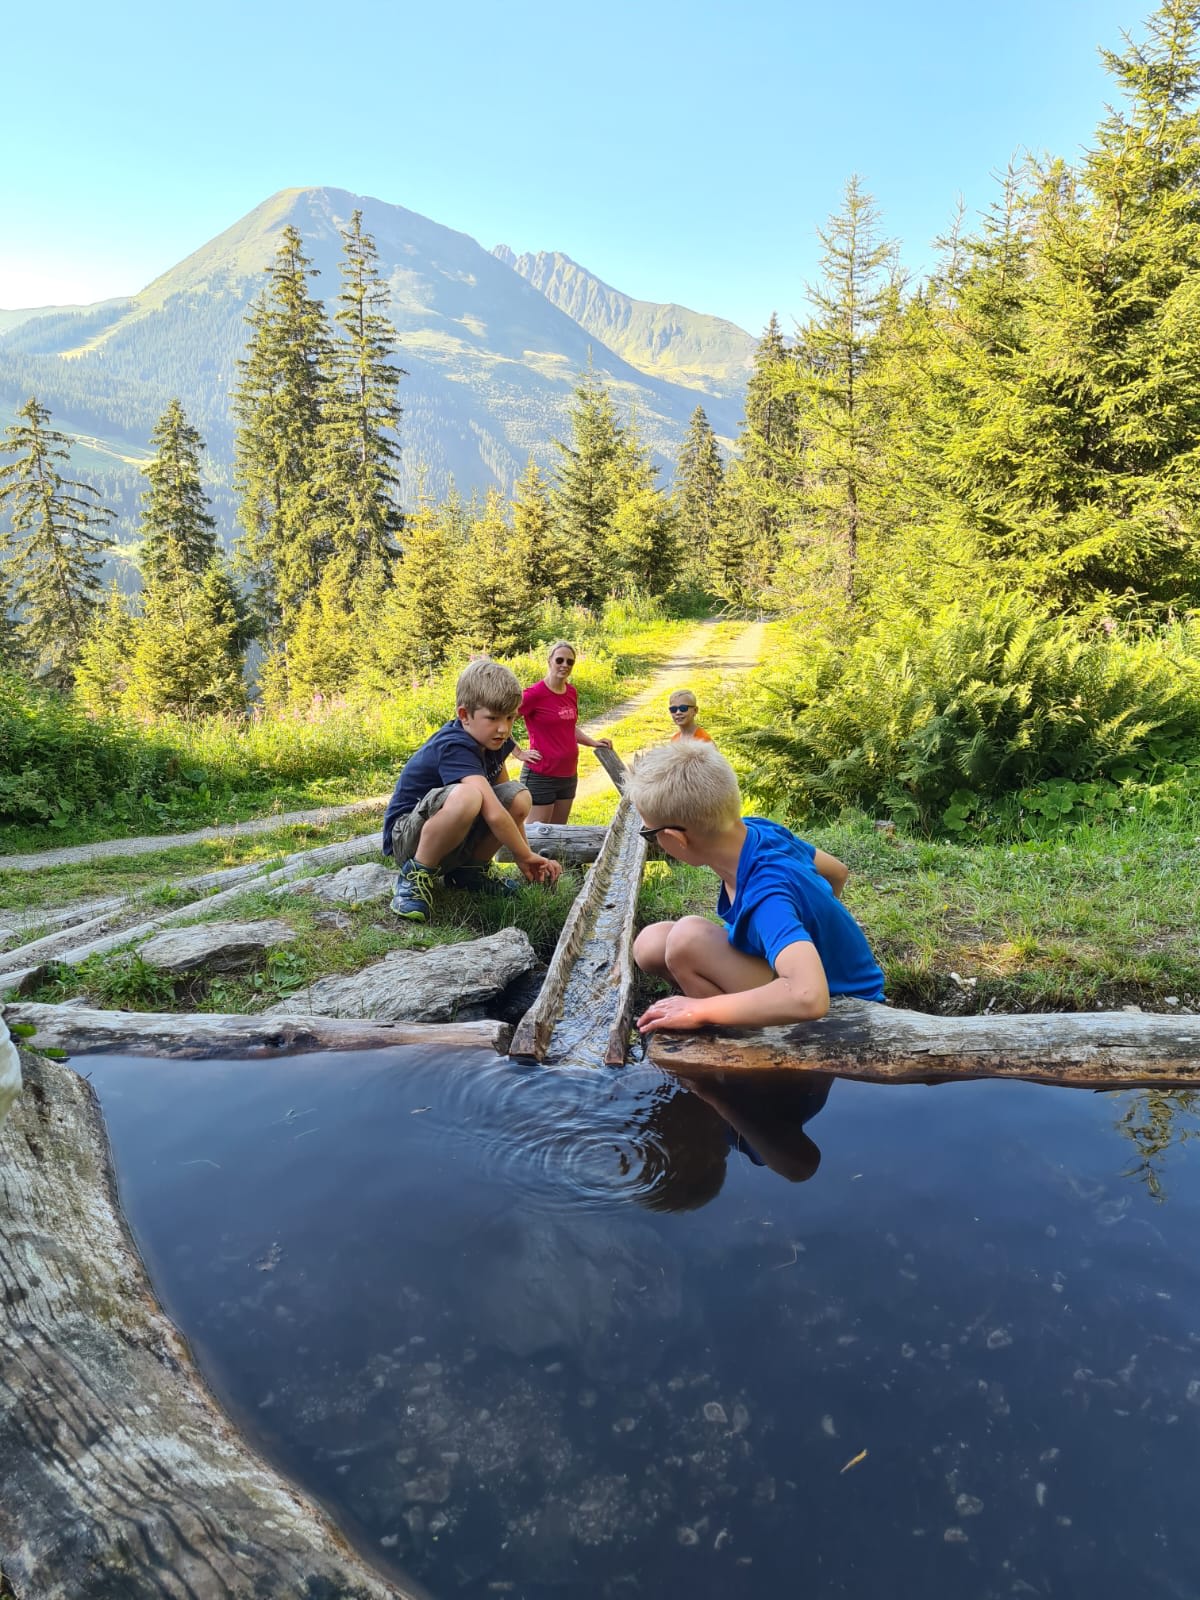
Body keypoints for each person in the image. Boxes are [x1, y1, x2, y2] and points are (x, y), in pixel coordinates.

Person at [628, 741, 884, 1034]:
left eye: (650, 833)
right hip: (805, 976)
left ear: (676, 839)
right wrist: (818, 927)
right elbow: (838, 872)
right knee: (650, 944)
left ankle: (733, 1037)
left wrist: (699, 1010)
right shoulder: (756, 830)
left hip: (841, 1005)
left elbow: (809, 998)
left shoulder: (768, 898)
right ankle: (723, 1009)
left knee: (686, 940)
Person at [381, 659, 563, 922]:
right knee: (469, 796)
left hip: (453, 835)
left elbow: (507, 806)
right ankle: (414, 875)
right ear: (464, 715)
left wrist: (524, 855)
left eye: (510, 717)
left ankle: (469, 873)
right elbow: (493, 813)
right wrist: (524, 855)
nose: (503, 728)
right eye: (493, 718)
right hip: (408, 838)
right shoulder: (454, 745)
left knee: (518, 795)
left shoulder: (495, 741)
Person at [513, 640, 614, 824]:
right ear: (549, 661)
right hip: (542, 775)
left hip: (568, 775)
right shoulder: (533, 694)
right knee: (538, 835)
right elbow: (503, 722)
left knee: (559, 834)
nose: (565, 665)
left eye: (570, 662)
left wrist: (593, 742)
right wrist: (519, 753)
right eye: (559, 660)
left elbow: (568, 727)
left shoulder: (571, 692)